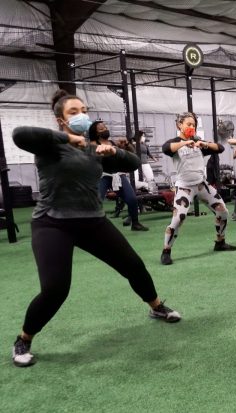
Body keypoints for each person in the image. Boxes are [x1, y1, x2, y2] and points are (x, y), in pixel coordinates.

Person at [10, 90, 181, 368]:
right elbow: (19, 134)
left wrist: (114, 150)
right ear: (61, 120)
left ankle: (156, 307)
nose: (82, 116)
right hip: (52, 222)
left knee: (134, 266)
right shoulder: (50, 146)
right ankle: (24, 339)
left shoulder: (94, 150)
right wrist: (69, 138)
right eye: (73, 112)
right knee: (55, 289)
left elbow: (134, 162)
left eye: (84, 110)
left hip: (92, 220)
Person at [160, 111, 236, 265]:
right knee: (178, 218)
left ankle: (220, 242)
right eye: (188, 124)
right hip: (185, 187)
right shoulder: (175, 143)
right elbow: (166, 148)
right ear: (180, 125)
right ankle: (166, 251)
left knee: (222, 211)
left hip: (202, 185)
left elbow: (220, 148)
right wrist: (184, 143)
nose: (191, 127)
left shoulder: (198, 143)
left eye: (194, 125)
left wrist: (204, 144)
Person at [89, 122, 149, 232]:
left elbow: (131, 154)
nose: (105, 129)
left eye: (105, 127)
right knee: (96, 201)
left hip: (117, 175)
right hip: (103, 176)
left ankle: (135, 223)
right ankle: (93, 228)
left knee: (132, 199)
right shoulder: (92, 144)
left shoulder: (112, 143)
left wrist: (126, 145)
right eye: (101, 129)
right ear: (96, 133)